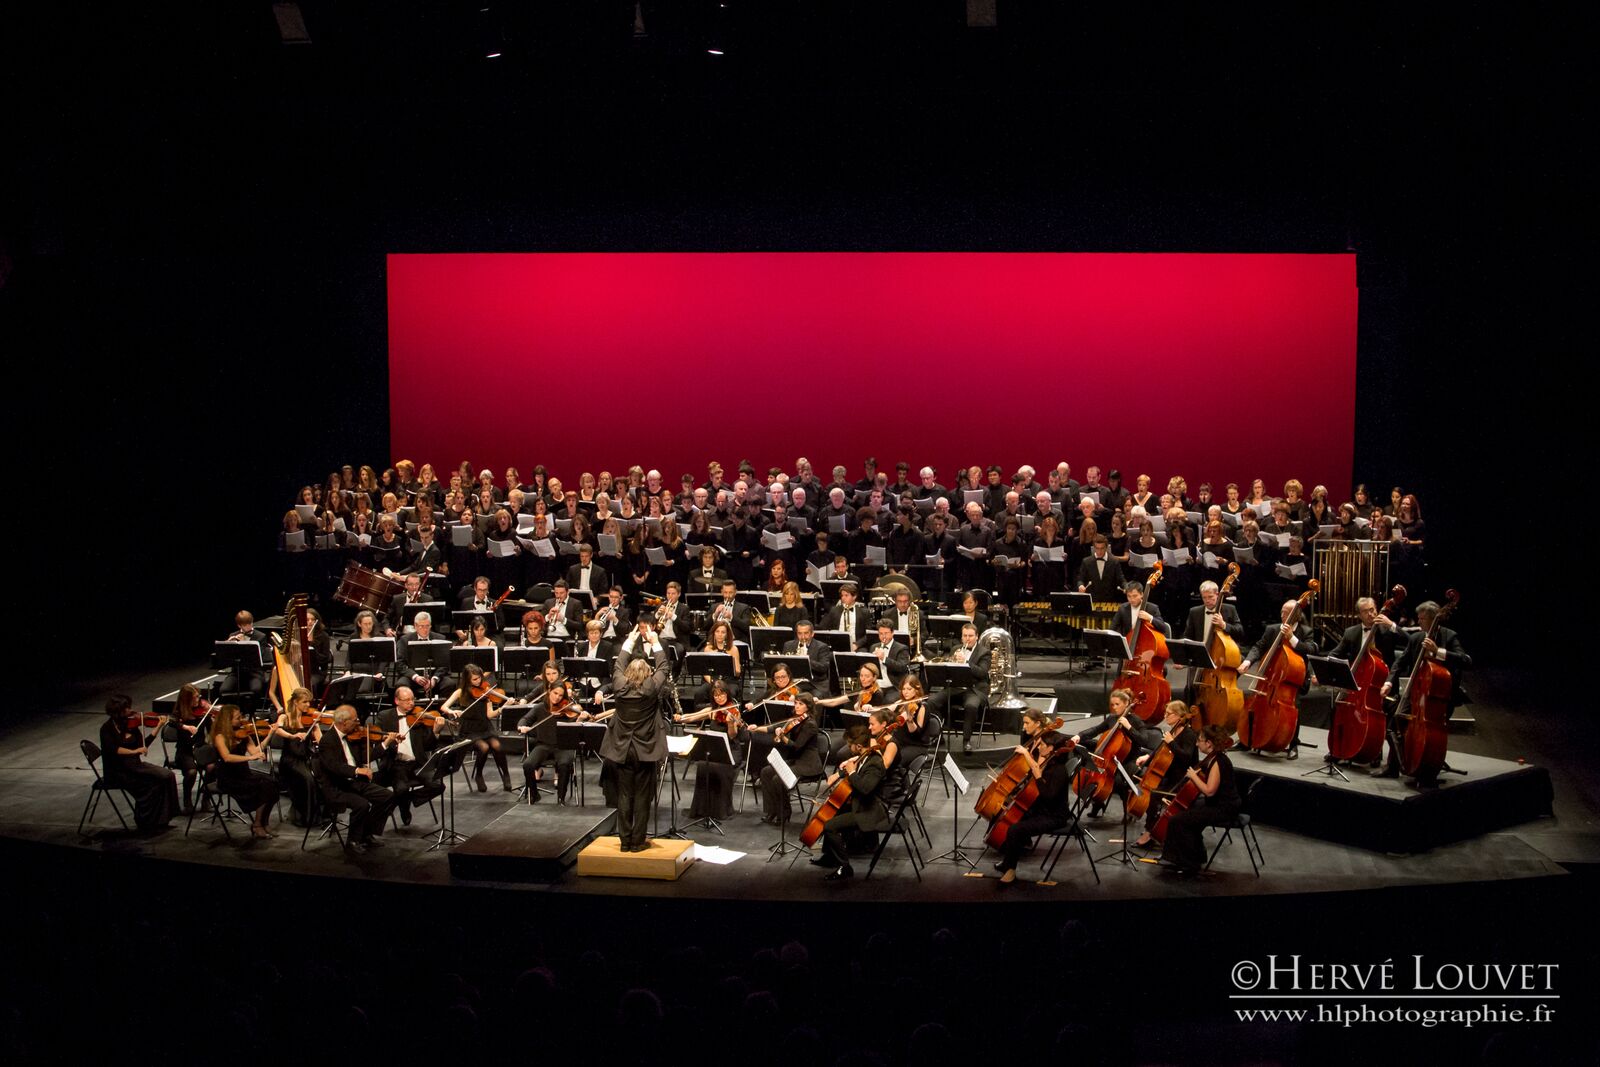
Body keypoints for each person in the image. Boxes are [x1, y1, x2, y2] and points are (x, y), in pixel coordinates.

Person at [1376, 599, 1471, 784]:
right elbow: (1400, 663)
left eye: (1422, 619)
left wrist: (1438, 651)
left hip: (1440, 698)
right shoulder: (1416, 638)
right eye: (1418, 618)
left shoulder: (1449, 636)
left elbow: (1466, 660)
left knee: (1429, 734)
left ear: (1434, 619)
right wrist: (1388, 682)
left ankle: (1426, 769)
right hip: (1416, 694)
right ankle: (1395, 767)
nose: (1418, 621)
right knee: (1394, 724)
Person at [600, 623, 673, 852]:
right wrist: (655, 642)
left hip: (622, 748)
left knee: (624, 795)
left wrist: (630, 642)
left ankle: (624, 842)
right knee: (642, 796)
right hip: (645, 749)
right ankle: (637, 842)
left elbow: (618, 664)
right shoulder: (651, 687)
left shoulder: (619, 684)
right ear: (647, 673)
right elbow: (664, 666)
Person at [812, 706, 899, 880]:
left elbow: (866, 788)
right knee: (830, 813)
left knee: (829, 826)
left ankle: (844, 867)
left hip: (869, 811)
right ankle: (830, 856)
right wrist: (840, 774)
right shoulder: (865, 755)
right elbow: (856, 769)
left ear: (859, 746)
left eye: (850, 745)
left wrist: (851, 773)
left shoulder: (875, 763)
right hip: (861, 805)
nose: (848, 748)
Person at [992, 730, 1077, 884]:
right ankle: (1008, 862)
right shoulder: (1049, 762)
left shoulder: (1059, 771)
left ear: (1051, 748)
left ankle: (1010, 871)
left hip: (1054, 816)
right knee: (1009, 816)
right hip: (1043, 809)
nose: (1039, 747)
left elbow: (1048, 797)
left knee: (1015, 829)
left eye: (1042, 745)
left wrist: (1038, 776)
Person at [1238, 599, 1320, 758]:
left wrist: (1292, 638)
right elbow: (1259, 647)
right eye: (1282, 611)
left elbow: (1310, 650)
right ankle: (1247, 740)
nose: (1282, 615)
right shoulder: (1272, 629)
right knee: (1255, 703)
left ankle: (1293, 743)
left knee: (1294, 706)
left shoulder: (1306, 631)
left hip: (1293, 680)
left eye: (1286, 613)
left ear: (1296, 616)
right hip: (1270, 678)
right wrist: (1247, 661)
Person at [1159, 724, 1240, 874]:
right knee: (1186, 813)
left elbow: (1209, 791)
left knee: (1178, 820)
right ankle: (1195, 857)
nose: (1197, 744)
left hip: (1224, 808)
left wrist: (1193, 776)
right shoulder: (1213, 758)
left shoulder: (1218, 762)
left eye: (1200, 740)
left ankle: (1188, 862)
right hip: (1218, 804)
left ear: (1208, 743)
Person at [317, 705, 398, 853]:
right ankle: (352, 842)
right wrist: (356, 770)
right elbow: (334, 766)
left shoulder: (354, 736)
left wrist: (385, 743)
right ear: (344, 722)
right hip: (337, 787)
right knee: (362, 804)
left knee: (387, 796)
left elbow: (367, 756)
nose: (358, 723)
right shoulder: (327, 741)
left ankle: (366, 834)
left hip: (354, 783)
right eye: (355, 720)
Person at [98, 695, 179, 833]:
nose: (130, 711)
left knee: (168, 775)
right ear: (117, 712)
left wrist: (158, 726)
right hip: (118, 771)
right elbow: (115, 750)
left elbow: (143, 745)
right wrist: (134, 751)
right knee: (153, 784)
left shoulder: (130, 725)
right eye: (126, 709)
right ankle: (145, 821)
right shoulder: (107, 729)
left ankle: (162, 819)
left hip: (135, 766)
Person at [1132, 702, 1199, 847]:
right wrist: (1147, 757)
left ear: (1180, 716)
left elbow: (1186, 757)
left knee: (1155, 794)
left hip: (1183, 780)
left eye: (1168, 714)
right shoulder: (1173, 731)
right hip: (1170, 775)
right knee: (1152, 790)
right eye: (1165, 713)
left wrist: (1172, 742)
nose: (1165, 716)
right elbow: (1163, 751)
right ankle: (1153, 827)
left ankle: (1150, 832)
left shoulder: (1189, 734)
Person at [376, 686, 445, 825]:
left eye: (413, 699)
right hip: (396, 764)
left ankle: (406, 799)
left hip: (418, 763)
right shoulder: (385, 716)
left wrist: (436, 732)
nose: (411, 703)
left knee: (438, 786)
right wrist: (389, 741)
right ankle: (404, 807)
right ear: (397, 701)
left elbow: (428, 746)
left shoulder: (419, 717)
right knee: (401, 789)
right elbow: (377, 740)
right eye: (407, 700)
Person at [751, 692, 823, 825]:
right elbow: (773, 728)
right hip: (796, 760)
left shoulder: (810, 724)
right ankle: (772, 811)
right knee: (766, 772)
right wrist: (757, 728)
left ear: (808, 706)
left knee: (778, 779)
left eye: (801, 704)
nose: (797, 706)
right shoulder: (796, 719)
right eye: (796, 703)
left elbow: (797, 747)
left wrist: (783, 737)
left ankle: (784, 811)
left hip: (808, 764)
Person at [517, 674, 586, 803]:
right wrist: (522, 727)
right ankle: (534, 794)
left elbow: (574, 729)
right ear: (549, 691)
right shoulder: (539, 708)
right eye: (555, 693)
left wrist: (580, 719)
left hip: (563, 746)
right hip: (543, 745)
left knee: (564, 764)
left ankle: (561, 798)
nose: (557, 697)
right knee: (528, 765)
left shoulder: (566, 709)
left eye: (560, 695)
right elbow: (524, 719)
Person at [442, 662, 511, 791]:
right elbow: (444, 707)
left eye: (479, 677)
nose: (478, 681)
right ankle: (479, 775)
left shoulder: (485, 690)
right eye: (474, 679)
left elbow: (490, 715)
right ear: (467, 679)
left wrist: (503, 707)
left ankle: (506, 775)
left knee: (497, 745)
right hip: (469, 730)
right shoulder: (460, 692)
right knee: (484, 747)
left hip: (484, 727)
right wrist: (452, 711)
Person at [210, 705, 276, 839]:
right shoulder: (220, 736)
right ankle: (257, 824)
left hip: (244, 774)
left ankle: (264, 822)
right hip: (229, 777)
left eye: (240, 716)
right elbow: (227, 757)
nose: (241, 720)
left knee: (273, 783)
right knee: (264, 786)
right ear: (227, 720)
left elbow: (255, 751)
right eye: (237, 718)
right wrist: (250, 758)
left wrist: (270, 735)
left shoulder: (244, 734)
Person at [931, 622, 991, 754]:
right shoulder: (955, 649)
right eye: (965, 636)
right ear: (962, 637)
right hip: (956, 687)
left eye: (970, 636)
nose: (967, 639)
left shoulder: (984, 652)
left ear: (977, 636)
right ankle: (938, 735)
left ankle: (966, 741)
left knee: (971, 706)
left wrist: (966, 662)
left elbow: (982, 673)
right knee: (932, 701)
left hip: (974, 689)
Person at [269, 686, 320, 826]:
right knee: (308, 780)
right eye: (305, 702)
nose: (308, 705)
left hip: (306, 758)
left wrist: (318, 729)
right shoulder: (285, 717)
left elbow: (320, 740)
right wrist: (293, 735)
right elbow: (278, 730)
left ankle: (320, 815)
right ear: (296, 702)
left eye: (309, 702)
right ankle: (305, 818)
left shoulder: (310, 719)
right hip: (290, 761)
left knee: (321, 777)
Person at [822, 581, 870, 650]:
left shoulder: (864, 612)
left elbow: (868, 634)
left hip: (856, 645)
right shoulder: (834, 610)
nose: (843, 598)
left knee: (863, 653)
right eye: (842, 595)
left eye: (846, 595)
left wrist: (857, 644)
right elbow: (825, 628)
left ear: (854, 596)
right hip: (838, 644)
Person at [868, 619, 912, 687]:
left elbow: (902, 668)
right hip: (876, 685)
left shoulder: (901, 648)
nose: (883, 636)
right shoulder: (873, 647)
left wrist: (884, 658)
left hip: (892, 686)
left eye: (886, 633)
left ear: (892, 633)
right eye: (881, 633)